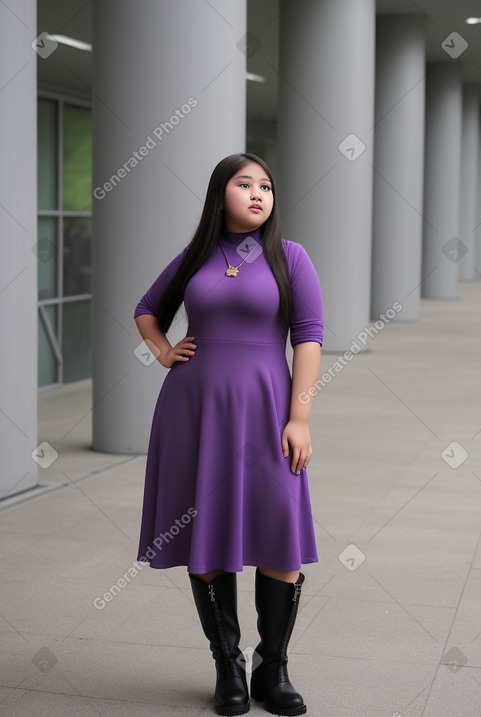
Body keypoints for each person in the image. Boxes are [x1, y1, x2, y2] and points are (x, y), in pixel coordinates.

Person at [134, 153, 323, 716]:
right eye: (245, 184)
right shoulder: (196, 257)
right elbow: (147, 310)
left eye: (266, 185)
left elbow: (309, 338)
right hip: (194, 411)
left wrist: (300, 418)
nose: (259, 194)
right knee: (206, 535)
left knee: (280, 532)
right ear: (222, 195)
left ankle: (274, 667)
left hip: (268, 412)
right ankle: (228, 666)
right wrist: (164, 351)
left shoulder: (291, 258)